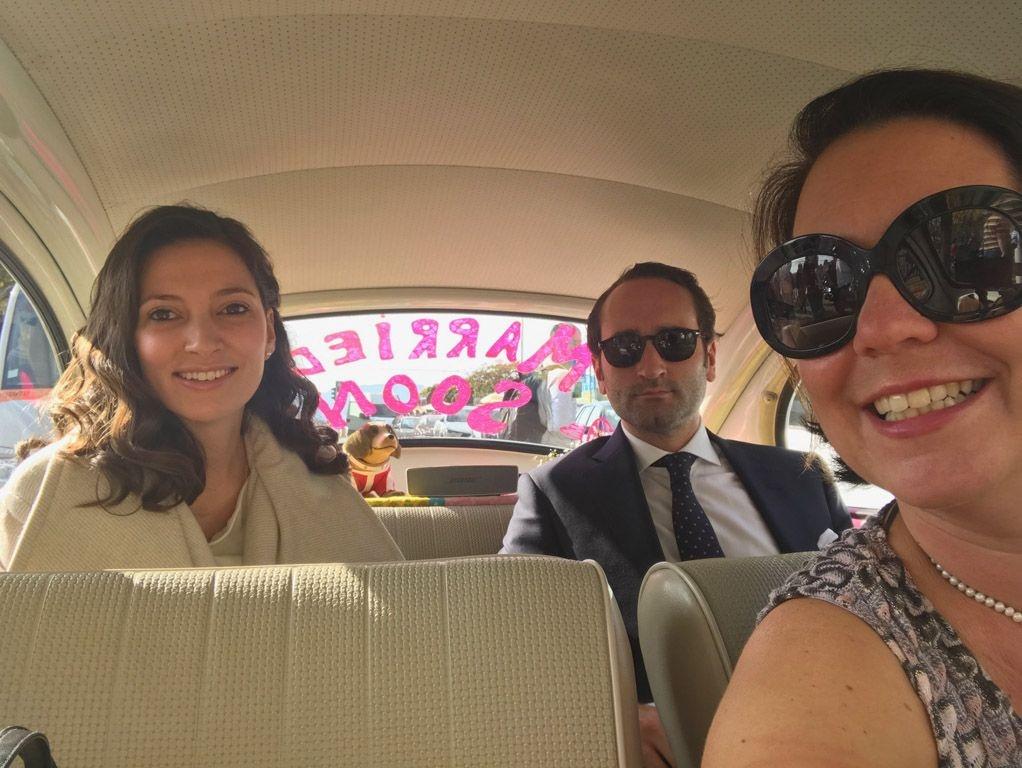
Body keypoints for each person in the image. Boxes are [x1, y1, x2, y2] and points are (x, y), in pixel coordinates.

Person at [704, 70, 1022, 767]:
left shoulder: (789, 473)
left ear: (706, 357)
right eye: (820, 290)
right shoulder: (815, 665)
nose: (882, 327)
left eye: (970, 256)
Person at [501, 261, 850, 767]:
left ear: (709, 357)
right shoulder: (553, 492)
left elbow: (868, 604)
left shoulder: (803, 476)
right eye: (624, 348)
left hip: (827, 723)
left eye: (675, 341)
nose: (651, 367)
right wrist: (611, 712)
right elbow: (511, 637)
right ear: (600, 370)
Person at [0, 205, 402, 571]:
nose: (203, 342)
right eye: (164, 314)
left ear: (268, 333)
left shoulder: (328, 486)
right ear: (126, 340)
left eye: (233, 308)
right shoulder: (41, 495)